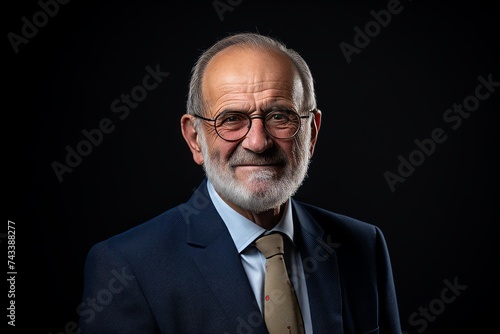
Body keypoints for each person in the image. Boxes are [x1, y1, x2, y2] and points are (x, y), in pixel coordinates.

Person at [78, 31, 401, 333]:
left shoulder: (362, 245)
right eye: (231, 119)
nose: (258, 143)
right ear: (195, 138)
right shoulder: (128, 267)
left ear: (311, 132)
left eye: (280, 116)